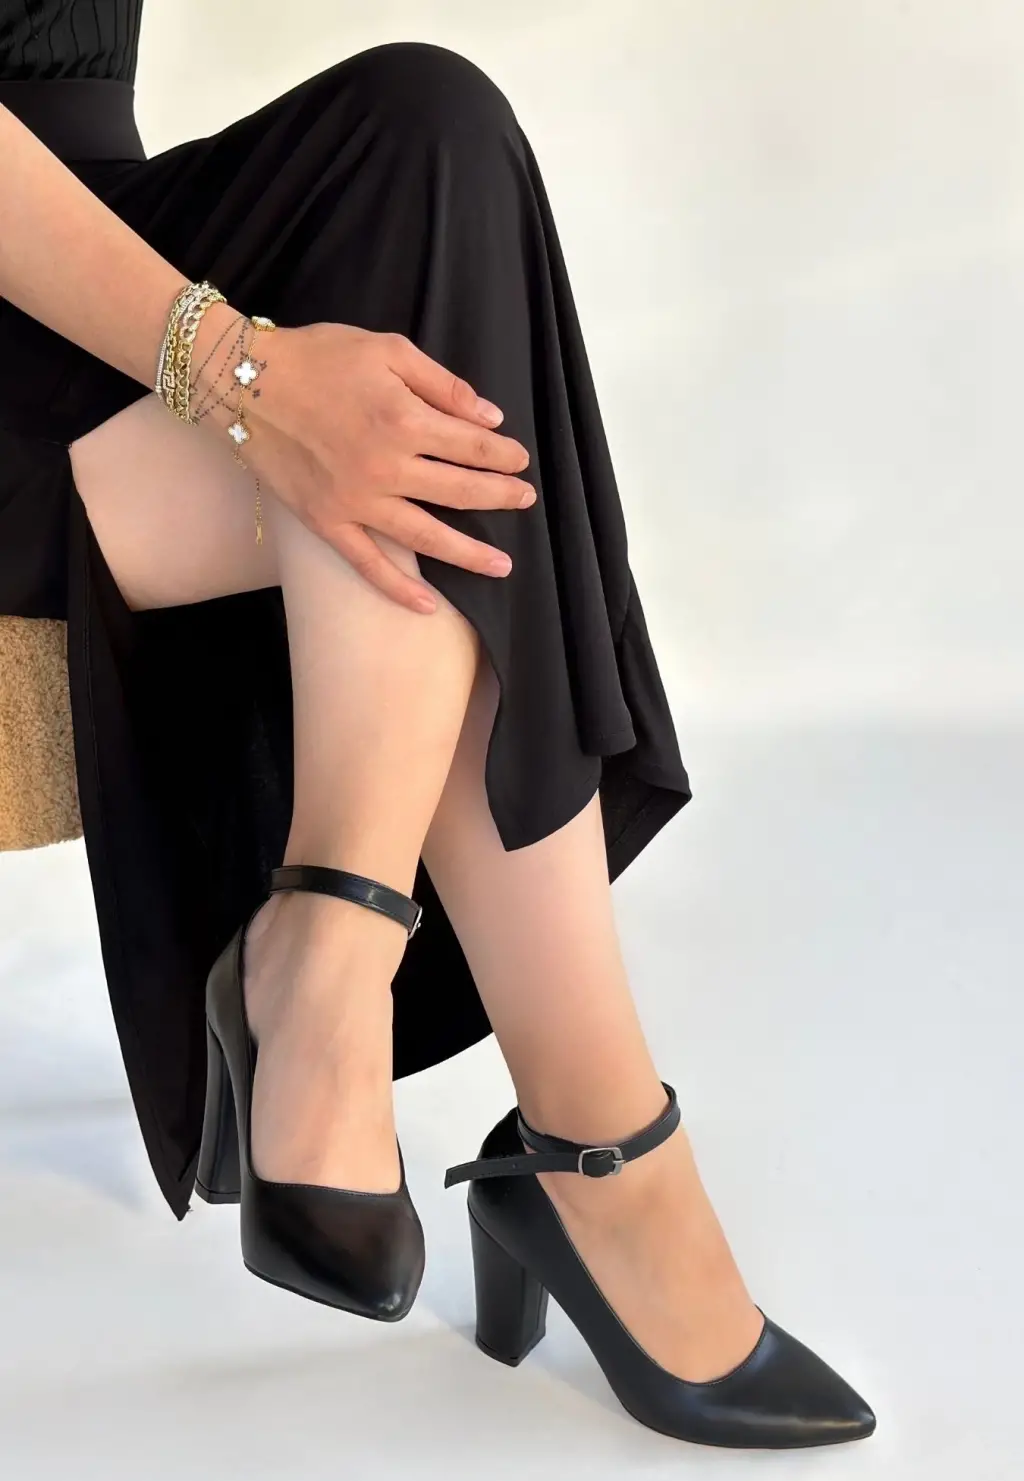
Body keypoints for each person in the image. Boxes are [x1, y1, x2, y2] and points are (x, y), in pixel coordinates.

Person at [0, 1, 875, 1450]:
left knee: (428, 135)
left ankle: (331, 949)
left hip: (75, 263)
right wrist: (239, 375)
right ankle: (592, 1148)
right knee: (448, 409)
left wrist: (252, 371)